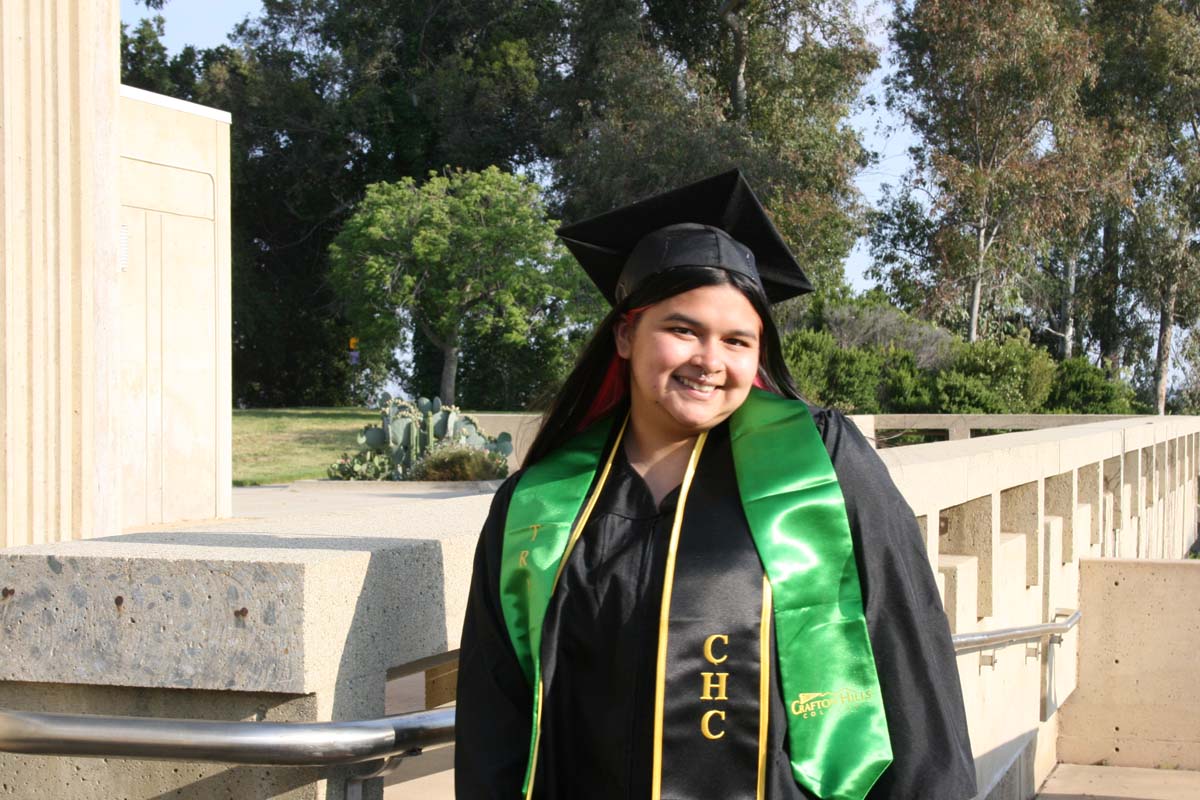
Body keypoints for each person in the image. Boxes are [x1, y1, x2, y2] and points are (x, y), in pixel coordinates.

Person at [455, 170, 977, 800]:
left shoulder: (817, 467)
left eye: (737, 340)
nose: (710, 361)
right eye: (683, 330)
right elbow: (495, 719)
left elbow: (906, 657)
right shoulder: (538, 505)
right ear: (626, 334)